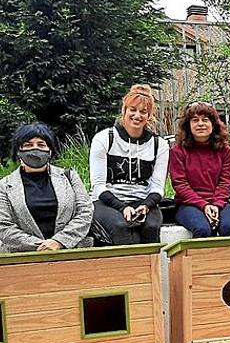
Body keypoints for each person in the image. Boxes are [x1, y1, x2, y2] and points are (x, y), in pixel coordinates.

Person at [89, 84, 169, 245]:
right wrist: (122, 207)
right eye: (133, 109)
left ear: (149, 116)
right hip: (107, 200)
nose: (137, 115)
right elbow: (98, 186)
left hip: (142, 200)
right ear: (124, 111)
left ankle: (153, 269)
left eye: (143, 112)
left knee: (151, 227)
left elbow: (158, 186)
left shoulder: (159, 145)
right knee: (121, 227)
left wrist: (146, 205)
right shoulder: (104, 139)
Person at [0, 123, 93, 252]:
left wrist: (59, 241)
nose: (35, 148)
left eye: (41, 144)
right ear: (18, 151)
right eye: (28, 145)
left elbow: (85, 212)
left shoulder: (70, 177)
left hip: (70, 253)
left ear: (49, 150)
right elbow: (4, 225)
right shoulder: (4, 186)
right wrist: (41, 245)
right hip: (22, 257)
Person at [170, 102, 230, 238]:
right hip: (188, 204)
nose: (200, 124)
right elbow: (180, 184)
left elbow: (227, 181)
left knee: (228, 227)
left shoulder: (224, 150)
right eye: (195, 120)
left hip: (219, 202)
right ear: (188, 126)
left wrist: (217, 204)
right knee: (202, 229)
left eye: (205, 120)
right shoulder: (178, 151)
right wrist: (203, 205)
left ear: (213, 124)